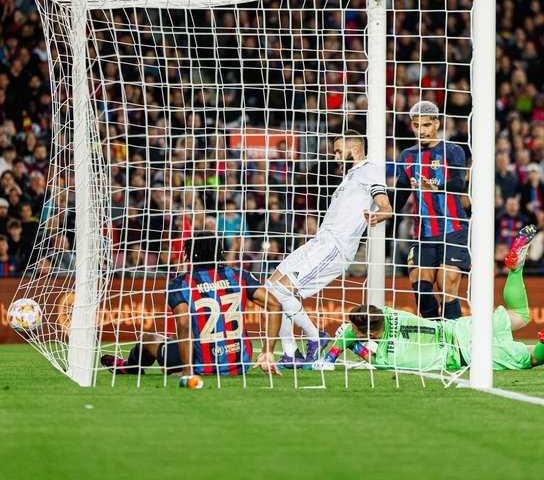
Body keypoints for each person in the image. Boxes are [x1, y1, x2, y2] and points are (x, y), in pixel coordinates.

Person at [314, 226, 544, 373]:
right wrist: (351, 337)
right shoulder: (388, 312)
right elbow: (359, 325)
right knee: (520, 315)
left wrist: (335, 354)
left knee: (532, 357)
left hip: (465, 355)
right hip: (462, 328)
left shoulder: (386, 357)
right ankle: (516, 270)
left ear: (372, 335)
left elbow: (362, 350)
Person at [266, 130, 392, 368]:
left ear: (354, 150)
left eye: (337, 151)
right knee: (271, 288)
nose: (334, 157)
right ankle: (290, 353)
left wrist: (378, 214)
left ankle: (316, 338)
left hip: (335, 247)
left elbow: (386, 205)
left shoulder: (369, 170)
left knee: (283, 291)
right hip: (319, 242)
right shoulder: (349, 177)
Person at [101, 231, 281, 378]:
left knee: (150, 339)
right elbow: (275, 305)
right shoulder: (238, 275)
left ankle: (128, 367)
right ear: (219, 252)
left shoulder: (181, 283)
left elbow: (184, 324)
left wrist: (187, 370)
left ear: (190, 254)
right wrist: (268, 351)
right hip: (239, 364)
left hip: (199, 365)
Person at [395, 101, 469, 320]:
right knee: (421, 287)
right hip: (423, 234)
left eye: (426, 125)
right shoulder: (407, 155)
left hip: (452, 229)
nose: (422, 130)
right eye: (417, 126)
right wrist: (383, 209)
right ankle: (434, 330)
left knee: (446, 284)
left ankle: (451, 341)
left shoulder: (453, 150)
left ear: (437, 123)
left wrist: (436, 187)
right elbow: (401, 192)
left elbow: (458, 184)